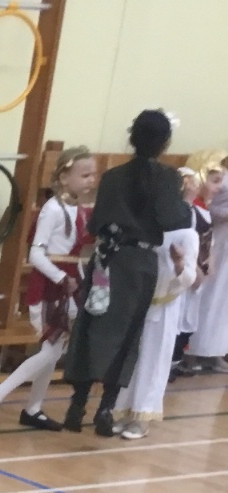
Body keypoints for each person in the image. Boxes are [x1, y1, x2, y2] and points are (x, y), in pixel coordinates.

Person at [61, 110, 193, 437]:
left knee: (92, 327)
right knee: (126, 335)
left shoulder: (113, 176)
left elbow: (96, 224)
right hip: (138, 264)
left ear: (132, 136)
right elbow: (173, 219)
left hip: (106, 259)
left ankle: (77, 406)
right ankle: (105, 409)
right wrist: (186, 201)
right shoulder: (167, 178)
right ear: (165, 142)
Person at [0, 146, 97, 432]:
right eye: (85, 175)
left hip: (68, 287)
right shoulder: (52, 210)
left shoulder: (79, 209)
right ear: (64, 177)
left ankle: (33, 408)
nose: (91, 180)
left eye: (93, 175)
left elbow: (76, 252)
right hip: (48, 289)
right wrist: (60, 277)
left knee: (53, 350)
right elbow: (36, 253)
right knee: (50, 351)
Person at [113, 197, 199, 438]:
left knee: (154, 361)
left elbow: (190, 277)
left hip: (165, 307)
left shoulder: (187, 234)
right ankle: (123, 412)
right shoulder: (149, 229)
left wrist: (179, 262)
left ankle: (142, 417)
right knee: (132, 360)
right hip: (141, 301)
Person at [179, 150, 228, 373]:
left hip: (219, 248)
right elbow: (211, 209)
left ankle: (215, 350)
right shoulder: (218, 171)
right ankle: (193, 351)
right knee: (207, 298)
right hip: (214, 245)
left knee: (222, 303)